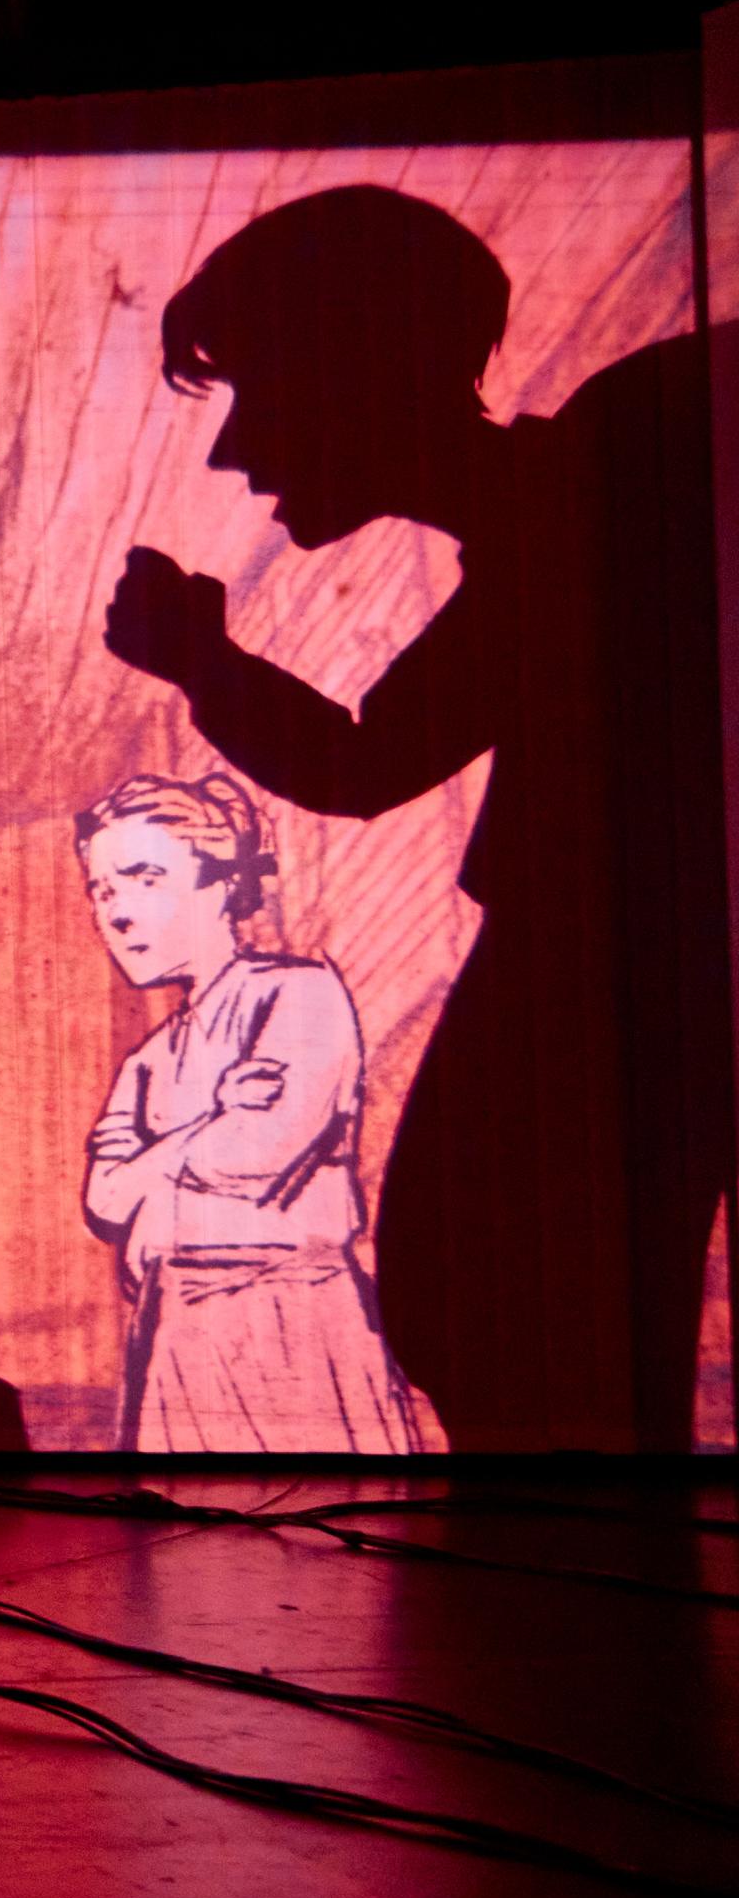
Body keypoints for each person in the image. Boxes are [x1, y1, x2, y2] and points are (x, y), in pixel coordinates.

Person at [100, 186, 726, 1453]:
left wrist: (201, 664)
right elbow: (373, 754)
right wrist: (204, 664)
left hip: (615, 964)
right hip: (605, 957)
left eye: (251, 392)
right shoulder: (568, 501)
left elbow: (370, 758)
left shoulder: (607, 474)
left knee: (493, 1296)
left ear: (352, 367)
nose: (234, 454)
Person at [75, 773, 414, 1455]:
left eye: (145, 878)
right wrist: (202, 1126)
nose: (117, 913)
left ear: (222, 883)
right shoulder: (149, 1059)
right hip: (172, 1332)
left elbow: (254, 1153)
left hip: (293, 1323)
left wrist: (161, 1162)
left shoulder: (300, 993)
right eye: (103, 890)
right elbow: (105, 1200)